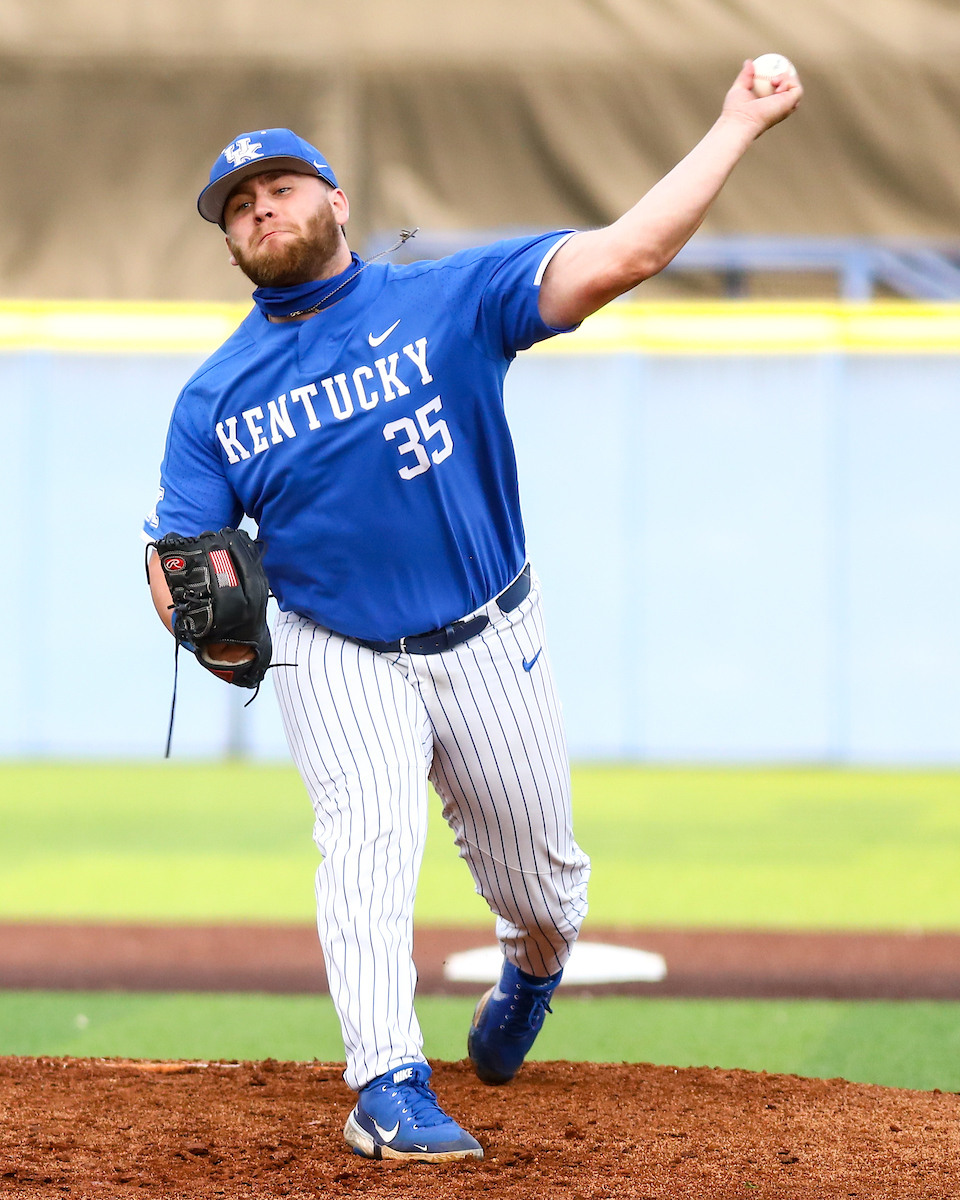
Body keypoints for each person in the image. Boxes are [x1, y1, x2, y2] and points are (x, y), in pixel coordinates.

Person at [144, 60, 801, 1163]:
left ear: (337, 200)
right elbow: (174, 553)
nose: (262, 208)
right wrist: (183, 604)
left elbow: (626, 253)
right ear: (230, 243)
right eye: (240, 207)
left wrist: (736, 121)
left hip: (491, 632)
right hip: (337, 648)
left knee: (545, 891)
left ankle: (530, 973)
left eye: (283, 188)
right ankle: (387, 1084)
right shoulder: (215, 398)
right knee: (366, 841)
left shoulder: (449, 298)